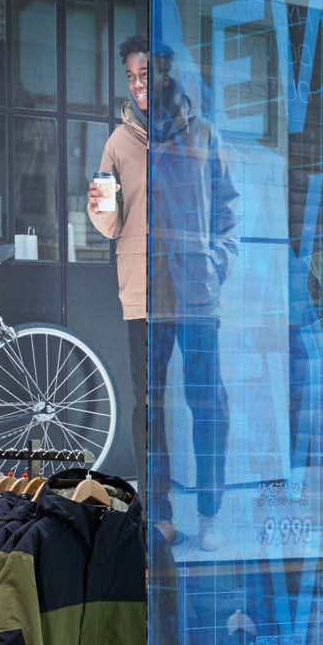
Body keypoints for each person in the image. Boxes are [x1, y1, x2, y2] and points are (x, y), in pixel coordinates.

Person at [88, 28, 237, 542]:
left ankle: (212, 513)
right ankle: (162, 515)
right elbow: (108, 224)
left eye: (145, 75)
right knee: (148, 410)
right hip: (144, 297)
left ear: (167, 72)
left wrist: (216, 264)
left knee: (208, 406)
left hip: (196, 295)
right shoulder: (118, 142)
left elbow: (227, 210)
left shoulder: (203, 135)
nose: (137, 86)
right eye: (130, 77)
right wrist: (99, 206)